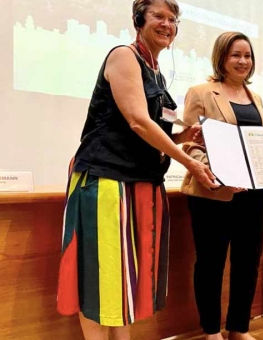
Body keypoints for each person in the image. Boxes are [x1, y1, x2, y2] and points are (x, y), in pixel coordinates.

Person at [56, 1, 218, 339]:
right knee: (100, 281)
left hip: (138, 184)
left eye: (173, 19)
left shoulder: (155, 70)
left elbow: (150, 128)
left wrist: (183, 136)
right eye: (158, 16)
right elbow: (137, 121)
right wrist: (189, 160)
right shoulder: (123, 56)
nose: (167, 24)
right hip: (105, 182)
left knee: (123, 281)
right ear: (137, 19)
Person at [179, 32, 263, 340]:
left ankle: (238, 328)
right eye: (236, 55)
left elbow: (259, 143)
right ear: (221, 58)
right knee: (210, 264)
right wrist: (219, 171)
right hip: (212, 194)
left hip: (253, 195)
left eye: (248, 55)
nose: (243, 61)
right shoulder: (201, 92)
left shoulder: (255, 97)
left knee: (248, 263)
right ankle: (211, 331)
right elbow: (188, 144)